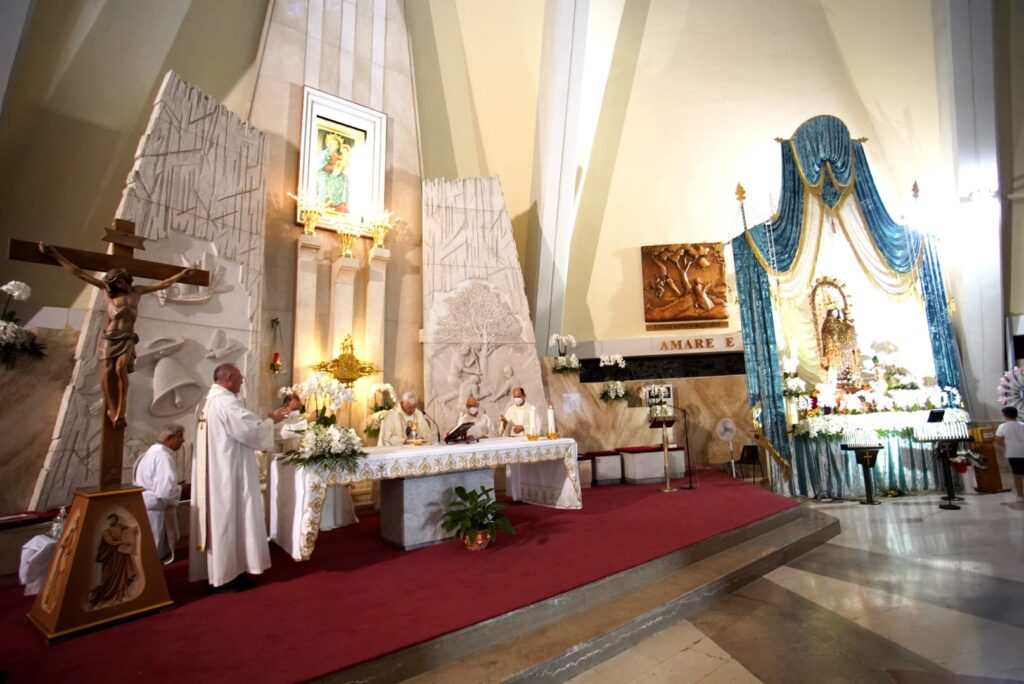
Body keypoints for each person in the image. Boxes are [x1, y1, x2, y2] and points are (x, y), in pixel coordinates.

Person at [38, 242, 195, 427]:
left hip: (127, 338)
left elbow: (163, 284)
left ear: (127, 279)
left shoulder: (138, 291)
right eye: (116, 282)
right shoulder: (108, 292)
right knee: (107, 370)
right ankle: (111, 408)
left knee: (120, 369)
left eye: (122, 280)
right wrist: (55, 255)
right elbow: (78, 273)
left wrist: (181, 275)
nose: (120, 284)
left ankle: (121, 409)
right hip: (110, 337)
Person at [190, 363, 291, 591]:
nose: (242, 381)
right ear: (228, 379)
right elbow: (250, 430)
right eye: (239, 378)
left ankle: (217, 570)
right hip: (228, 474)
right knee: (230, 517)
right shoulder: (226, 402)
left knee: (221, 520)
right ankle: (228, 575)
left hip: (216, 472)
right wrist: (271, 421)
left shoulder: (207, 401)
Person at [133, 424, 185, 564]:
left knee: (149, 544)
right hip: (156, 507)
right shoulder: (163, 456)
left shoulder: (149, 454)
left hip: (145, 504)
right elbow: (165, 490)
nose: (183, 440)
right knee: (155, 549)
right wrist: (181, 489)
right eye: (180, 436)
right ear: (168, 438)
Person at [88, 513, 139, 607]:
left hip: (121, 554)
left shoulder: (120, 527)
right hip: (110, 556)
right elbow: (110, 542)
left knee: (122, 573)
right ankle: (107, 594)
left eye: (114, 519)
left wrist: (133, 530)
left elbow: (129, 529)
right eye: (111, 519)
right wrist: (123, 542)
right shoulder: (106, 532)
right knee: (109, 575)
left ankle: (121, 591)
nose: (113, 521)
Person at [995, 406, 1024, 502]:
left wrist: (1007, 445)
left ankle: (1020, 495)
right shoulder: (1022, 425)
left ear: (1005, 415)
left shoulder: (1002, 427)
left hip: (1013, 453)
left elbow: (999, 440)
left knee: (1017, 474)